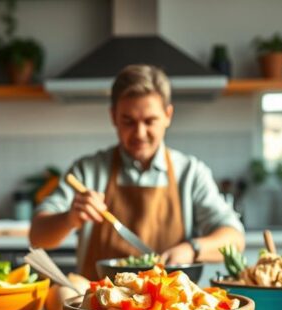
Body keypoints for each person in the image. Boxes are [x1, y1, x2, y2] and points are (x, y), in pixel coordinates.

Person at [29, 64, 244, 279]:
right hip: (99, 309)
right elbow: (37, 236)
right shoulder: (87, 171)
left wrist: (192, 249)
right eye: (128, 121)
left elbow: (234, 238)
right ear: (114, 117)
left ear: (168, 115)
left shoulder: (190, 173)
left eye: (150, 121)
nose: (139, 133)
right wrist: (70, 219)